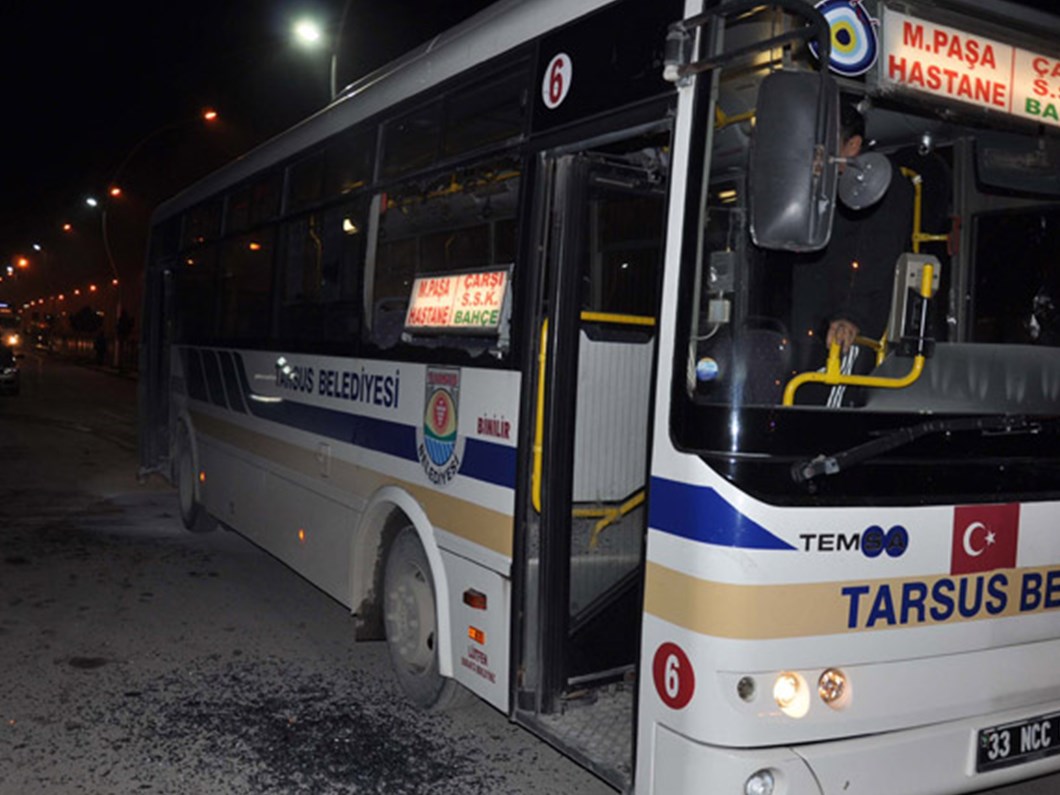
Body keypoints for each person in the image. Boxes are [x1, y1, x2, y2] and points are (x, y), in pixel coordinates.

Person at [789, 99, 915, 404]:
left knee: (823, 413)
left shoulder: (880, 182)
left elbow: (875, 253)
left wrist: (850, 315)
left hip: (845, 331)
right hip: (812, 323)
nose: (815, 154)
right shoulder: (825, 188)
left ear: (853, 145)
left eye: (824, 146)